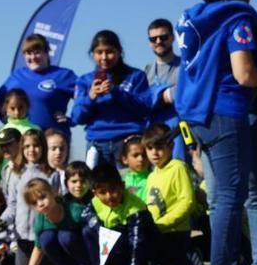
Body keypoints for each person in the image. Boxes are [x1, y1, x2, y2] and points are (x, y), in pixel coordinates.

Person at [175, 0, 257, 265]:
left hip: (196, 114)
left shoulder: (193, 19)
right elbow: (245, 74)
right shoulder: (239, 19)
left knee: (220, 199)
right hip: (226, 111)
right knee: (232, 195)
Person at [71, 30, 151, 169]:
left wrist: (116, 91)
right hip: (97, 144)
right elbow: (77, 117)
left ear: (119, 51)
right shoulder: (85, 81)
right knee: (98, 189)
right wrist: (91, 97)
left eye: (109, 51)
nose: (104, 57)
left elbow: (144, 108)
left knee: (132, 188)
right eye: (99, 52)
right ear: (92, 54)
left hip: (128, 142)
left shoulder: (136, 76)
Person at [81, 163, 159, 265]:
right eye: (102, 192)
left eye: (113, 190)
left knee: (115, 236)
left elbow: (137, 242)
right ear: (94, 193)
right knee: (87, 231)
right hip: (119, 243)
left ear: (122, 186)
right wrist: (98, 227)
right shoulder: (95, 202)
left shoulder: (135, 208)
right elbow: (85, 214)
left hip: (144, 249)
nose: (109, 196)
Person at [142, 123, 204, 265]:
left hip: (175, 232)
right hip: (157, 231)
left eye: (159, 147)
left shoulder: (178, 168)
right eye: (150, 148)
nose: (154, 153)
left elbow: (188, 202)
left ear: (171, 146)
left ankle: (191, 254)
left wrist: (163, 223)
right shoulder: (151, 176)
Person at [2, 129, 61, 265]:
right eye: (27, 146)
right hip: (22, 238)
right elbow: (12, 204)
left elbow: (55, 205)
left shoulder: (52, 174)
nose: (31, 150)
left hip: (42, 238)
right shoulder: (16, 173)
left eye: (36, 145)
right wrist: (2, 220)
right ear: (22, 148)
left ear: (43, 147)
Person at [15, 179, 92, 265]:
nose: (40, 204)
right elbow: (38, 248)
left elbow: (95, 234)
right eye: (34, 202)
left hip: (90, 254)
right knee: (46, 238)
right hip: (73, 260)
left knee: (65, 236)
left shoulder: (74, 211)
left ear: (52, 192)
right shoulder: (40, 222)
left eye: (42, 197)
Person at [0, 34, 77, 133]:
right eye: (28, 53)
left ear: (47, 53)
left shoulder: (64, 75)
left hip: (53, 141)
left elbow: (85, 97)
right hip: (25, 143)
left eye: (37, 53)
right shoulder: (17, 76)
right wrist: (5, 119)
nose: (33, 57)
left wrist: (73, 119)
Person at [143, 19, 186, 161]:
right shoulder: (146, 71)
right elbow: (143, 101)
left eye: (163, 37)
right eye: (153, 39)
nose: (158, 41)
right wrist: (166, 94)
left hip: (179, 133)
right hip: (154, 136)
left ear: (173, 38)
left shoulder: (185, 67)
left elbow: (188, 93)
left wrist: (160, 96)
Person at [120, 135, 150, 199]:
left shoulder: (154, 177)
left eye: (144, 155)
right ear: (125, 159)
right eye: (135, 155)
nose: (141, 159)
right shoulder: (119, 179)